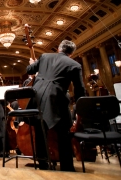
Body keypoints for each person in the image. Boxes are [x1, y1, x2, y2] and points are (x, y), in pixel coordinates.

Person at [26, 40, 86, 171]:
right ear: (71, 53)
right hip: (56, 97)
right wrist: (79, 105)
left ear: (58, 49)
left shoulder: (45, 56)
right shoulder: (75, 65)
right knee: (63, 132)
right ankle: (67, 166)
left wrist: (33, 64)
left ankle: (43, 164)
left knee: (40, 131)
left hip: (37, 96)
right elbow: (79, 89)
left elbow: (29, 70)